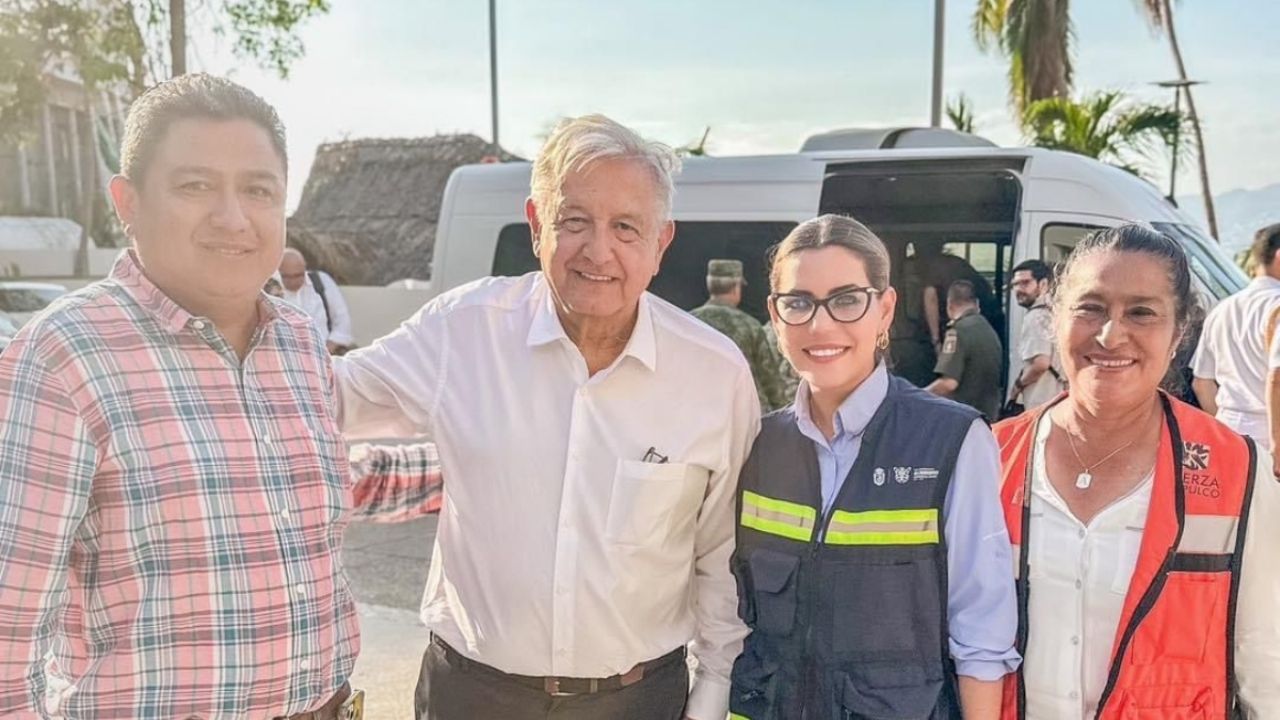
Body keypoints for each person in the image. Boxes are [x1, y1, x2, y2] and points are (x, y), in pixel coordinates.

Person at [0, 74, 442, 719]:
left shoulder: (293, 339)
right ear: (127, 201)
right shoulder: (66, 355)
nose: (233, 218)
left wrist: (475, 462)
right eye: (195, 185)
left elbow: (311, 481)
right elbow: (8, 622)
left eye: (258, 190)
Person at [332, 114, 759, 720]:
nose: (599, 250)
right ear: (537, 225)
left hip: (635, 702)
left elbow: (721, 556)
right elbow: (326, 401)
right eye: (575, 220)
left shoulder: (713, 374)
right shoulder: (463, 330)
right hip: (470, 696)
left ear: (662, 243)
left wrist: (710, 696)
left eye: (626, 227)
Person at [729, 214, 1019, 720]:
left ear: (884, 310)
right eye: (798, 303)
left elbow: (981, 624)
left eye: (846, 300)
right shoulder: (755, 445)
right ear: (775, 316)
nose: (820, 325)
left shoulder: (949, 440)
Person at [993, 224, 1280, 719]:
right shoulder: (990, 457)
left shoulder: (1238, 472)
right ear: (1057, 316)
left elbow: (1265, 664)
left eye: (1141, 313)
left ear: (1179, 333)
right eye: (1091, 308)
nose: (1110, 334)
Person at [1191, 223, 1280, 451]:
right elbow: (1276, 378)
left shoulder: (1222, 309)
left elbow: (1202, 384)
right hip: (1271, 437)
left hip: (1228, 433)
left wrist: (1224, 426)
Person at [691, 258, 788, 411]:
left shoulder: (689, 324)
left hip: (701, 411)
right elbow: (770, 382)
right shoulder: (750, 326)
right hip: (747, 414)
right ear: (736, 288)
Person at [927, 279, 1004, 420]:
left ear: (949, 305)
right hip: (989, 415)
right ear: (977, 304)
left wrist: (919, 395)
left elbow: (949, 383)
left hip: (965, 418)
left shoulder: (957, 332)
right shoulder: (988, 329)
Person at [1007, 259, 1065, 413]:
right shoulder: (1058, 312)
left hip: (1042, 400)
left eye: (1025, 283)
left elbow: (1040, 363)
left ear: (1043, 284)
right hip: (1060, 398)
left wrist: (1017, 387)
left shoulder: (1035, 317)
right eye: (1015, 284)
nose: (1019, 289)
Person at [279, 247, 355, 354]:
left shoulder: (321, 282)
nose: (293, 281)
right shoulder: (270, 289)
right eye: (287, 277)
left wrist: (327, 349)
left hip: (325, 352)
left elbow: (342, 321)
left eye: (298, 275)